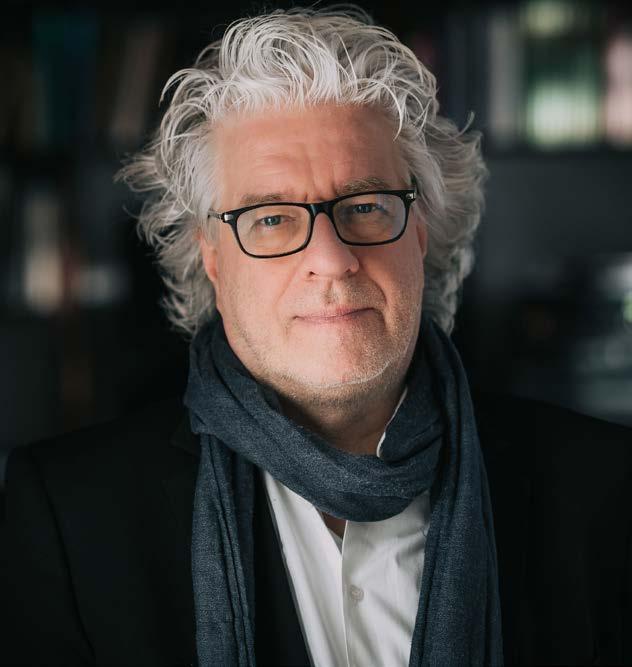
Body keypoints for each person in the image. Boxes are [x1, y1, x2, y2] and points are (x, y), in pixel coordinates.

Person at [1, 7, 630, 666]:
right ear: (213, 258)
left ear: (420, 234)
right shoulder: (69, 516)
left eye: (365, 207)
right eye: (271, 218)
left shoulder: (605, 492)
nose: (330, 259)